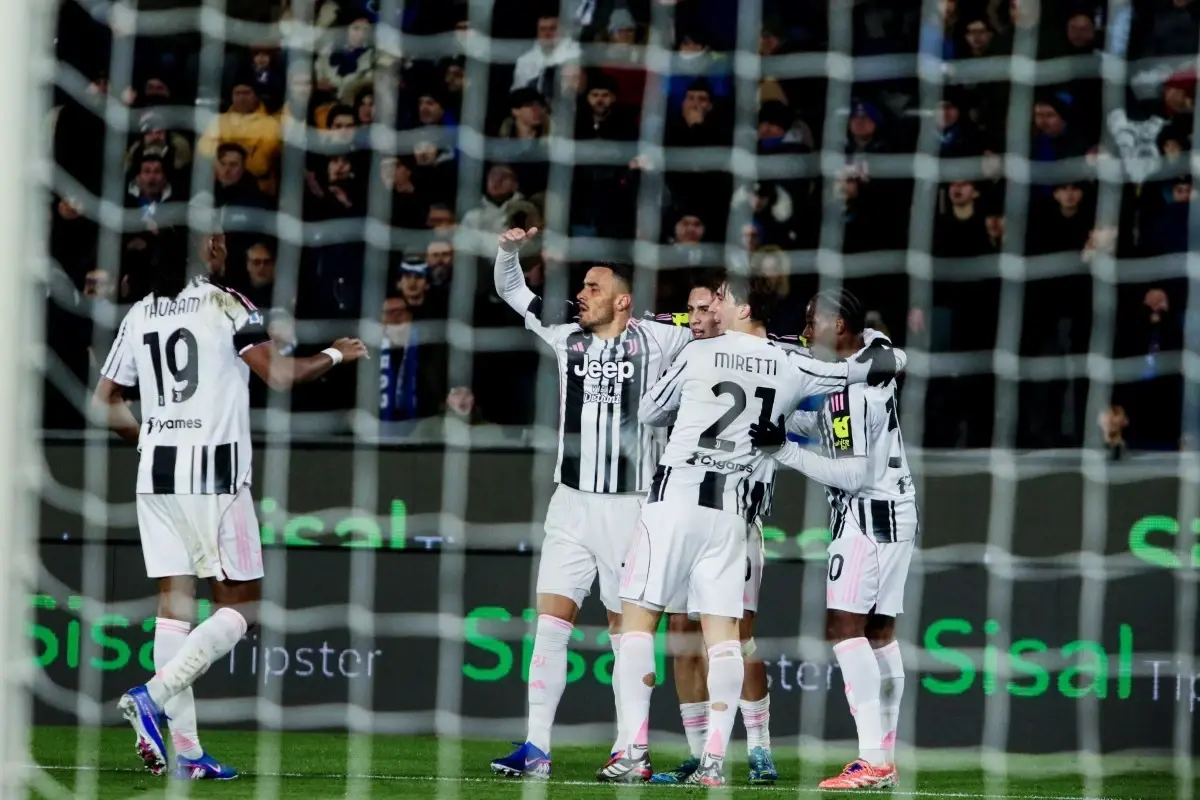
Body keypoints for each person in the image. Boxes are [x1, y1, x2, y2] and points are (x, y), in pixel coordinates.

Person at [598, 275, 903, 786]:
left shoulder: (699, 351)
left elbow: (650, 411)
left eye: (720, 299)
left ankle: (633, 751)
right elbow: (862, 369)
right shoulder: (790, 362)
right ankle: (713, 761)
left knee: (638, 626)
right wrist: (888, 348)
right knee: (726, 641)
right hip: (732, 515)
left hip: (676, 500)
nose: (711, 307)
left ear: (741, 308)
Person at [91, 218, 367, 780]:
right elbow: (279, 376)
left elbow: (105, 400)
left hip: (155, 478)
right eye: (211, 237)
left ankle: (189, 755)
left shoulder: (140, 312)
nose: (221, 245)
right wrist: (336, 355)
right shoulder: (227, 302)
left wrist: (149, 439)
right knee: (243, 609)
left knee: (174, 609)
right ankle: (151, 696)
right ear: (190, 249)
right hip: (213, 475)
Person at [488, 227, 693, 778]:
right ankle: (536, 748)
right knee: (550, 625)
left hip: (631, 508)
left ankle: (631, 750)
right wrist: (508, 252)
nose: (581, 294)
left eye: (593, 288)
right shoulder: (565, 330)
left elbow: (723, 331)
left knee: (629, 633)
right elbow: (511, 290)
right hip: (570, 505)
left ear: (623, 300)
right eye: (581, 286)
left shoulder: (661, 339)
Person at [749, 289, 917, 790]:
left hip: (866, 515)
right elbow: (835, 414)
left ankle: (872, 760)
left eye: (813, 320)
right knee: (879, 634)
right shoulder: (871, 354)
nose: (806, 329)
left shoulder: (848, 391)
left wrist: (783, 451)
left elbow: (850, 474)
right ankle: (883, 758)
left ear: (840, 326)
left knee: (845, 629)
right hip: (896, 509)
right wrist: (788, 423)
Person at [650, 273, 779, 786]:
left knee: (737, 637)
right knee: (682, 634)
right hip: (686, 514)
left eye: (708, 308)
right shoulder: (694, 360)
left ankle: (760, 748)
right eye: (693, 311)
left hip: (738, 519)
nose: (699, 318)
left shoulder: (772, 359)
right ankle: (699, 752)